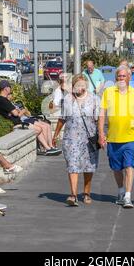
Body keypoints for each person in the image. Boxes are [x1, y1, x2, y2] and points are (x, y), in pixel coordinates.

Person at [98, 65, 134, 209]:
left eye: (124, 76)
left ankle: (127, 196)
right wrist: (101, 133)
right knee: (116, 168)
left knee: (129, 166)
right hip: (113, 138)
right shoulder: (108, 92)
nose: (121, 78)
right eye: (119, 76)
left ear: (129, 78)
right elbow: (102, 114)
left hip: (131, 137)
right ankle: (120, 190)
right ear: (116, 78)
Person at [52, 74, 100, 206]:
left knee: (88, 166)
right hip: (71, 138)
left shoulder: (94, 99)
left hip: (89, 138)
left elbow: (99, 120)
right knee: (73, 164)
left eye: (82, 85)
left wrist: (101, 135)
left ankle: (86, 193)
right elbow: (62, 118)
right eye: (77, 85)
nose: (80, 87)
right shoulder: (67, 99)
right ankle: (73, 194)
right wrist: (55, 135)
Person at [0, 80, 60, 156]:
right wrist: (17, 111)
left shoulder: (3, 100)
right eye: (10, 87)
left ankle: (48, 148)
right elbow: (16, 113)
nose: (10, 89)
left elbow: (15, 112)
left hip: (17, 121)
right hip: (15, 123)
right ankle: (47, 148)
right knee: (39, 129)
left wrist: (16, 111)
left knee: (41, 127)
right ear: (6, 88)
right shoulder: (2, 100)